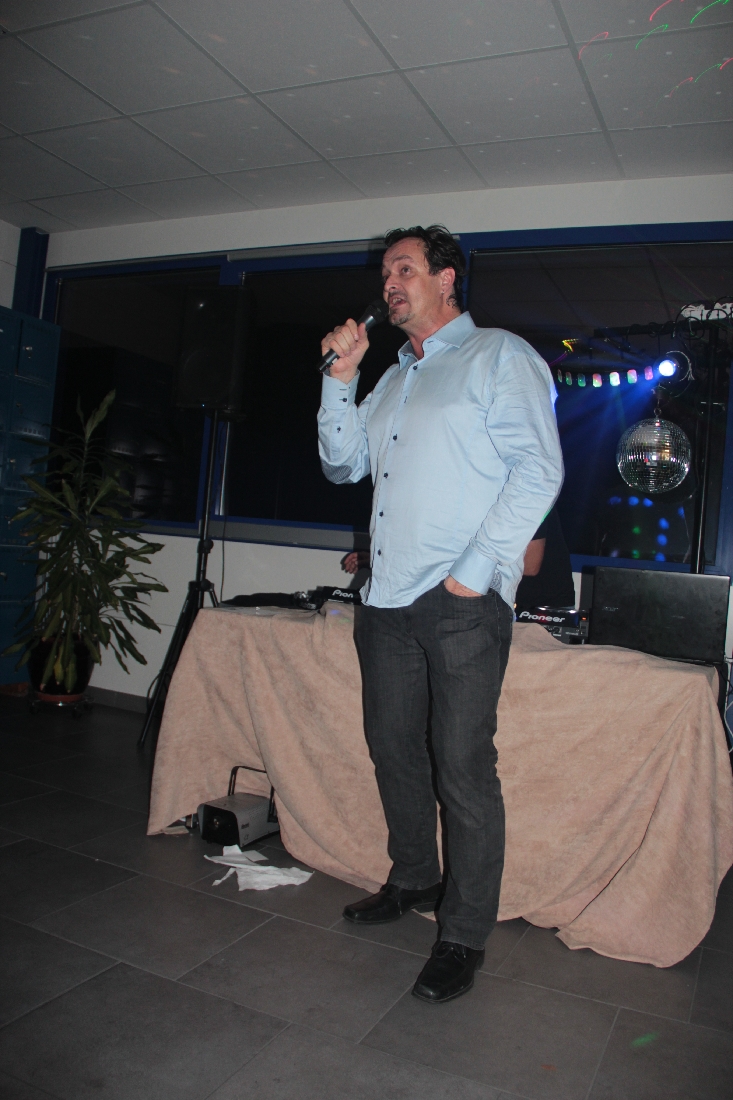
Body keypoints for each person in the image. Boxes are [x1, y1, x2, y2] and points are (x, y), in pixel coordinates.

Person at [318, 225, 563, 1004]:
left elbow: (537, 471)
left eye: (405, 268)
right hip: (385, 599)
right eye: (385, 273)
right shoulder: (393, 377)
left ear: (446, 278)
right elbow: (342, 465)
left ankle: (462, 934)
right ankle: (413, 878)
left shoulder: (498, 356)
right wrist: (340, 380)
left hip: (458, 603)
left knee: (461, 768)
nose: (388, 283)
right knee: (394, 751)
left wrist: (471, 575)